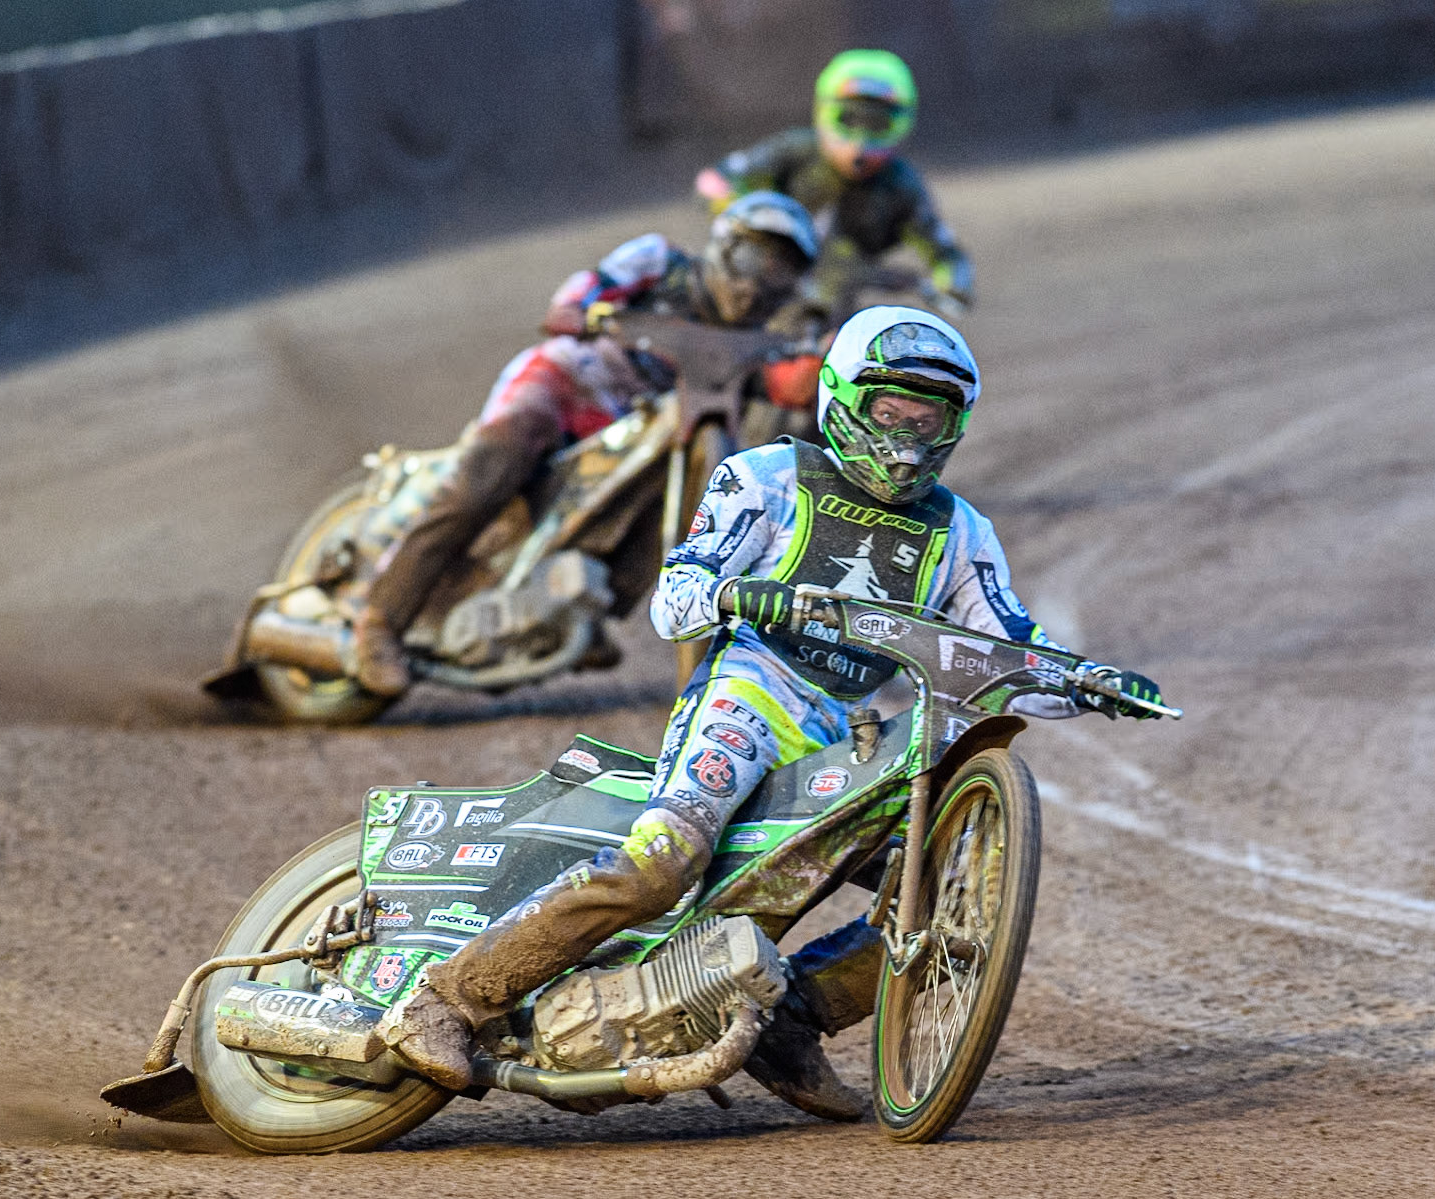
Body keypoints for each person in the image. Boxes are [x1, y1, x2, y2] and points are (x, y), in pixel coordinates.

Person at [382, 306, 1162, 1120]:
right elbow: (674, 596)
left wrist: (1088, 681)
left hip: (840, 733)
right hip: (746, 695)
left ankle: (790, 1020)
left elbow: (1006, 653)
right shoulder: (767, 476)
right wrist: (733, 592)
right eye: (889, 412)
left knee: (944, 895)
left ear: (953, 425)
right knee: (662, 862)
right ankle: (447, 1000)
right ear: (843, 400)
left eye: (925, 419)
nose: (905, 436)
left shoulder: (962, 533)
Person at [352, 191, 820, 697]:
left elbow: (791, 389)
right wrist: (580, 310)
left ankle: (591, 609)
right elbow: (586, 290)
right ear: (726, 246)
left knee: (690, 511)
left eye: (780, 273)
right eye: (755, 258)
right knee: (495, 464)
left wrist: (828, 365)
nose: (758, 283)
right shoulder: (661, 262)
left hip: (639, 434)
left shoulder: (753, 347)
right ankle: (380, 621)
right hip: (569, 382)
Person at [694, 49, 974, 321]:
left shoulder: (900, 186)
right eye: (849, 119)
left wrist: (950, 287)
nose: (860, 142)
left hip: (836, 312)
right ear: (824, 111)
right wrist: (752, 223)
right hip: (762, 291)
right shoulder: (796, 151)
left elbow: (945, 253)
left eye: (877, 124)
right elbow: (715, 182)